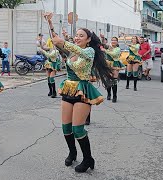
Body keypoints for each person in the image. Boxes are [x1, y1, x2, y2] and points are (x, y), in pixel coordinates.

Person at [44, 13, 113, 173]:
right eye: (76, 35)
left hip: (83, 91)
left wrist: (64, 42)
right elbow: (57, 41)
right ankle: (72, 152)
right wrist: (50, 24)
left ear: (88, 39)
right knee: (66, 127)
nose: (77, 38)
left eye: (81, 36)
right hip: (68, 89)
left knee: (78, 129)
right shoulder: (71, 51)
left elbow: (68, 46)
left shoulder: (89, 52)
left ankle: (88, 159)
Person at [101, 36, 124, 103]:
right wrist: (102, 38)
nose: (113, 41)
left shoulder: (118, 49)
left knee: (114, 80)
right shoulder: (109, 47)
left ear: (117, 42)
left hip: (115, 64)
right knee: (108, 79)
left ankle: (114, 96)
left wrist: (105, 50)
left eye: (115, 40)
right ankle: (109, 94)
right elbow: (102, 44)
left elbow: (113, 54)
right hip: (108, 64)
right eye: (112, 40)